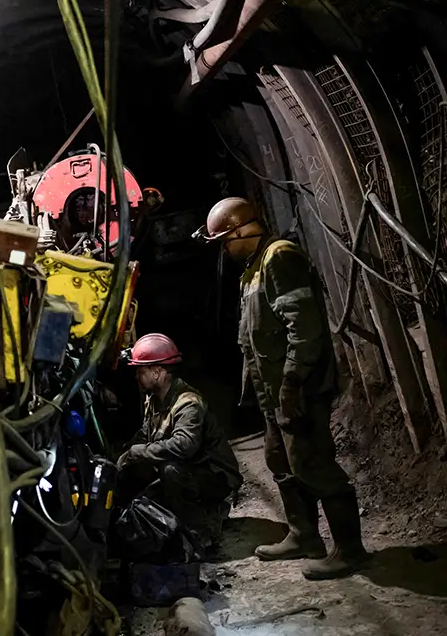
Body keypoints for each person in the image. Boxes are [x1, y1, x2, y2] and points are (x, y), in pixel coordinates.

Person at [197, 196, 368, 580]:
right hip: (273, 391)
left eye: (225, 240)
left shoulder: (280, 258)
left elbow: (304, 328)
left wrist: (291, 383)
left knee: (312, 461)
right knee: (280, 460)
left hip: (299, 387)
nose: (225, 248)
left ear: (242, 229)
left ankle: (351, 550)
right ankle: (304, 536)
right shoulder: (253, 268)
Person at [117, 333, 243, 551]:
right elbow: (145, 435)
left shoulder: (188, 403)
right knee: (144, 498)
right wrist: (124, 454)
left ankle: (200, 534)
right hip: (193, 470)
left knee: (170, 470)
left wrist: (138, 452)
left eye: (140, 371)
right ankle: (208, 512)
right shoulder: (154, 400)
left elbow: (185, 445)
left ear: (156, 372)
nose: (137, 377)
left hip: (217, 475)